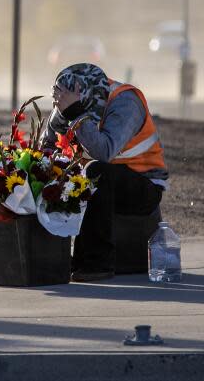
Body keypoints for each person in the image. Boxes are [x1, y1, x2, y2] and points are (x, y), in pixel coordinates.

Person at [40, 63, 168, 282]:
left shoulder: (126, 102)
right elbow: (46, 144)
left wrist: (77, 114)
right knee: (44, 170)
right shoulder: (70, 97)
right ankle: (62, 258)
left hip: (144, 184)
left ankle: (98, 263)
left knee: (97, 171)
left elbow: (104, 152)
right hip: (102, 179)